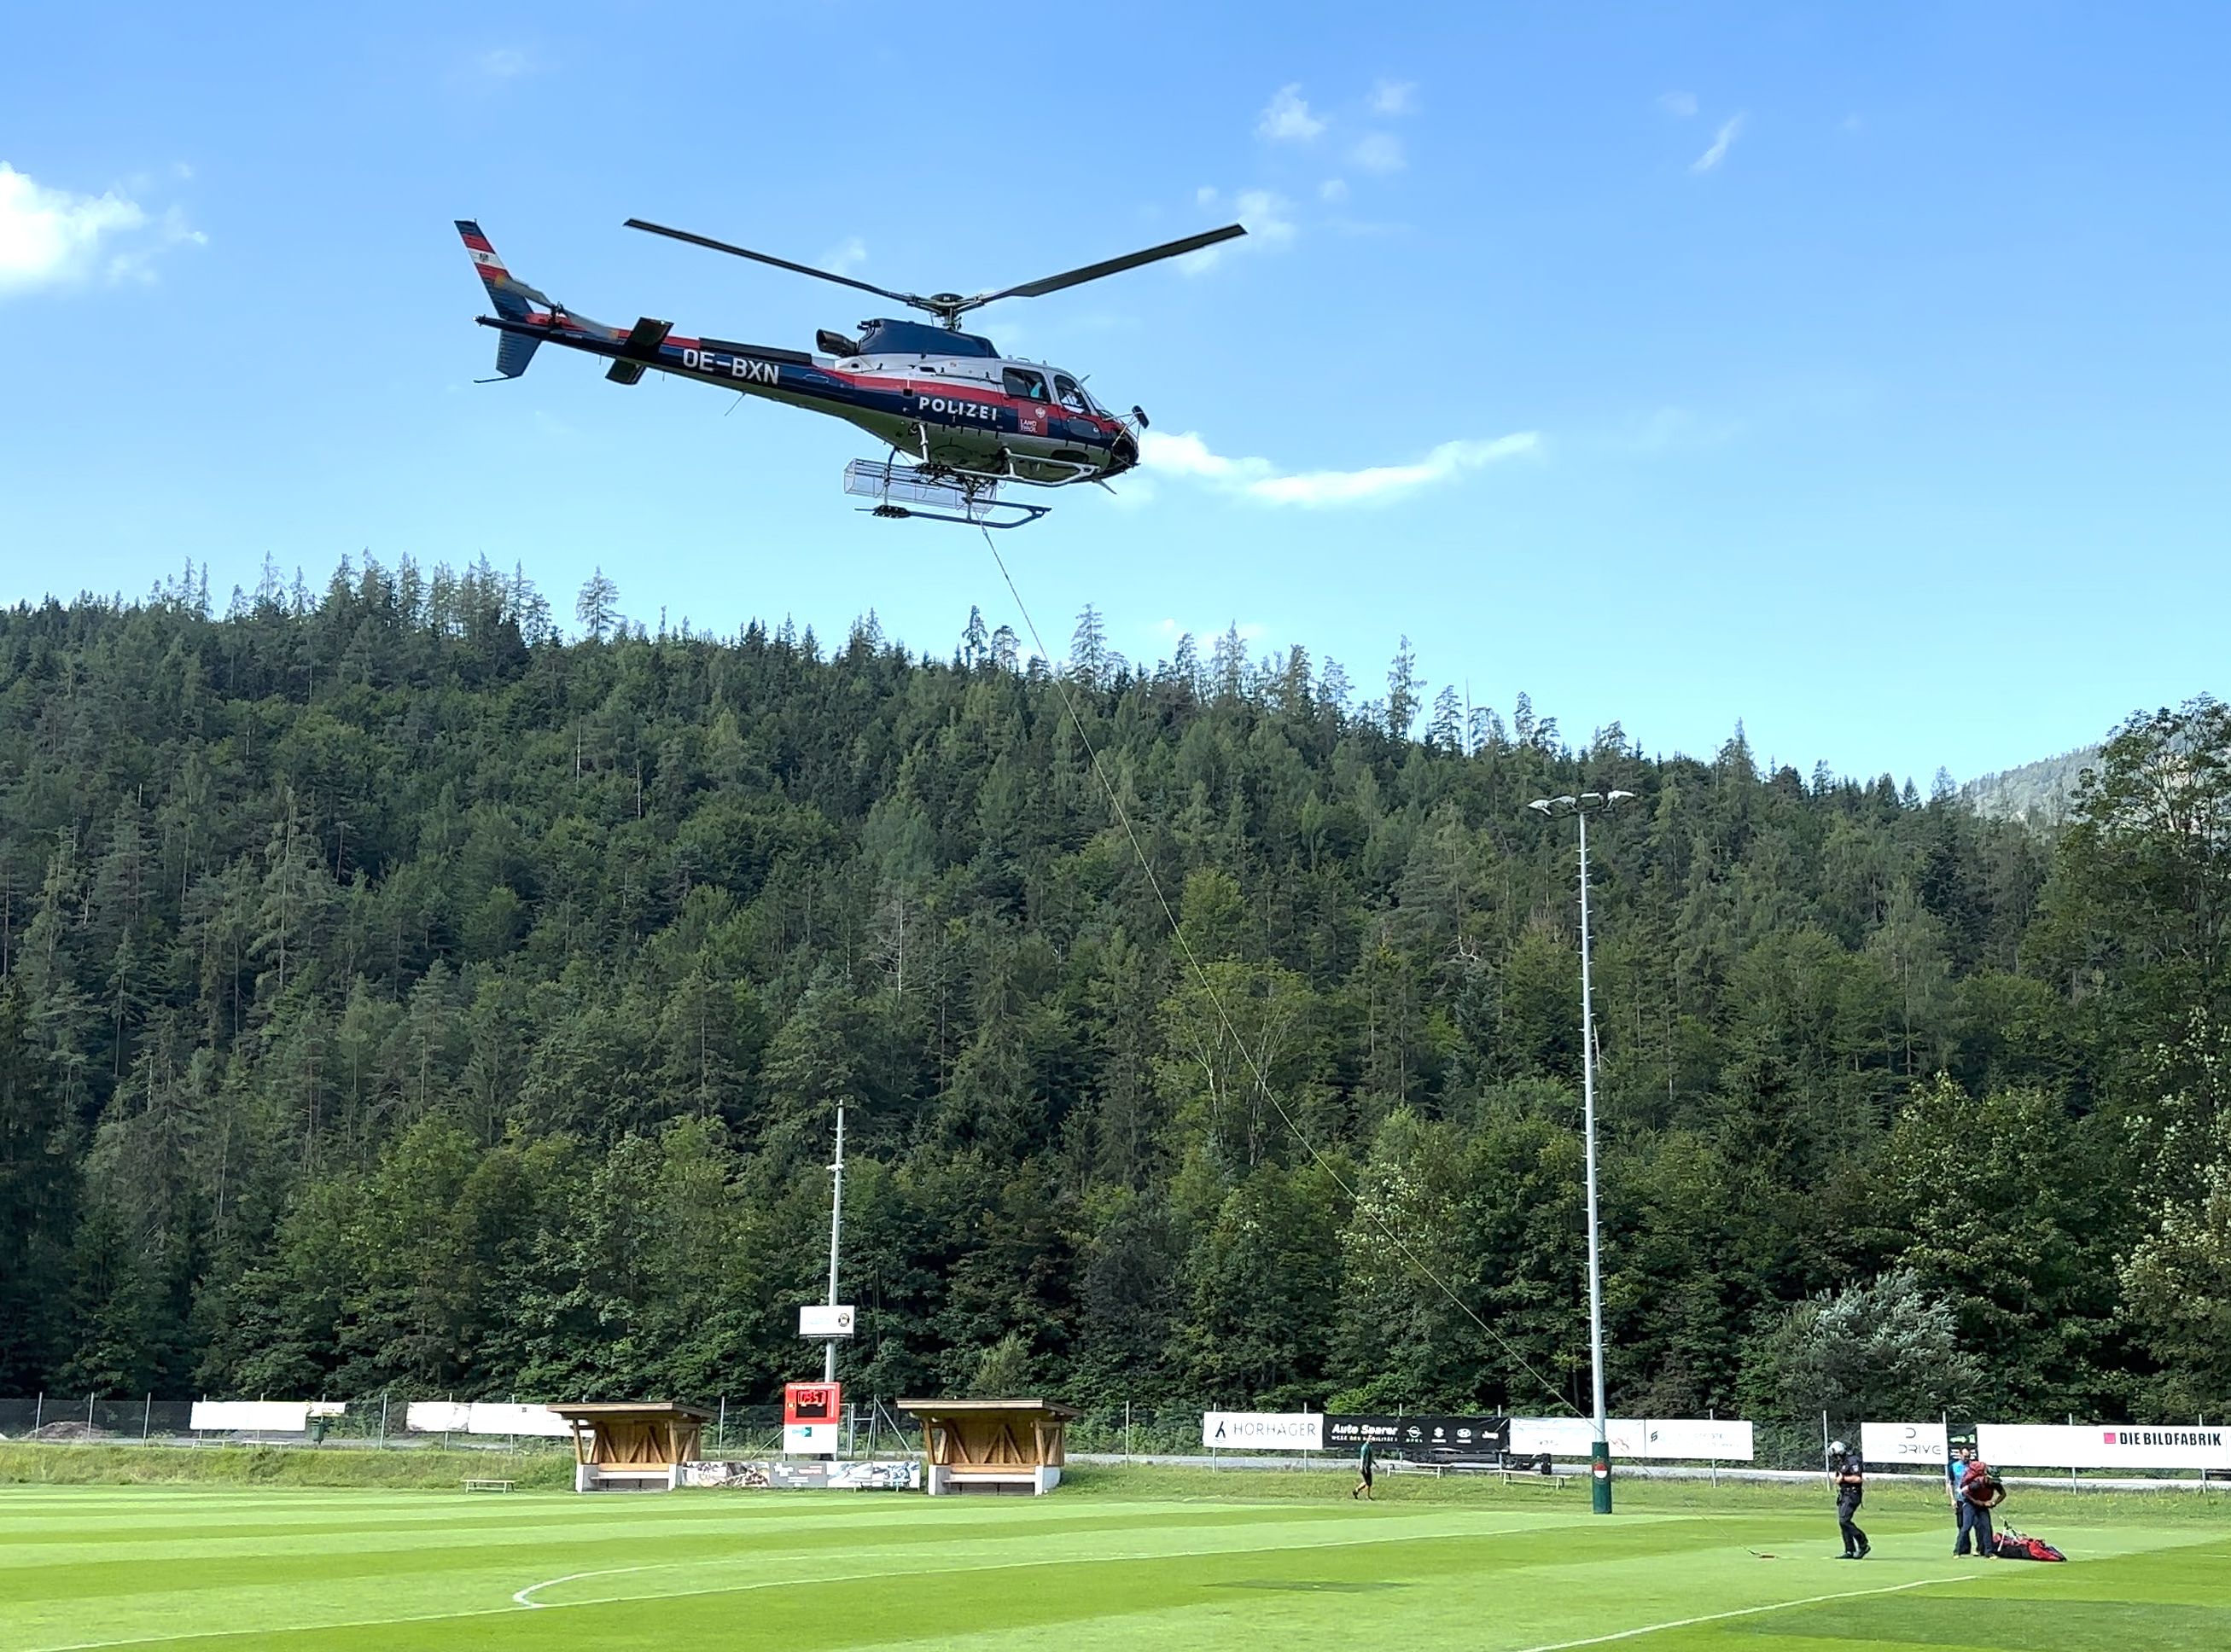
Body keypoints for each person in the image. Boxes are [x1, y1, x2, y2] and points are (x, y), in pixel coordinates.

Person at [1954, 1455, 2005, 1558]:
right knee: (1966, 1527)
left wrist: (1994, 1502)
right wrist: (1979, 1502)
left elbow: (2003, 1494)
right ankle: (1957, 1551)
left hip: (1983, 1506)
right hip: (1970, 1504)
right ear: (1987, 1477)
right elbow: (1965, 1493)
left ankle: (1988, 1552)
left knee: (1987, 1527)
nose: (1994, 1482)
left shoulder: (1995, 1483)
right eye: (1992, 1480)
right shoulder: (1977, 1483)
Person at [1829, 1440, 1869, 1559]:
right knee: (1843, 1522)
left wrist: (1843, 1478)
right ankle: (1849, 1550)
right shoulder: (1842, 1463)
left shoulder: (1853, 1461)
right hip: (1844, 1494)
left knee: (1844, 1520)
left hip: (1852, 1494)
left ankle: (1863, 1543)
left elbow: (1858, 1479)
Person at [1351, 1436, 1376, 1501]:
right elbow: (1362, 1457)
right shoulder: (1364, 1447)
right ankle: (1367, 1497)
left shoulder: (1370, 1447)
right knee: (1368, 1483)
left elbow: (1371, 1457)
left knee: (1367, 1482)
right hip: (1365, 1467)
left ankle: (1356, 1491)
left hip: (1368, 1466)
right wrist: (1361, 1466)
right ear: (1367, 1438)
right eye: (1371, 1438)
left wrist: (1375, 1464)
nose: (1372, 1439)